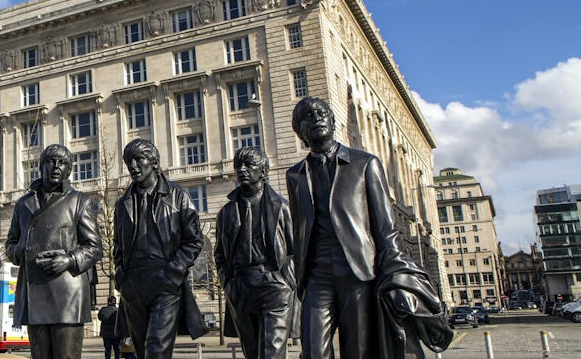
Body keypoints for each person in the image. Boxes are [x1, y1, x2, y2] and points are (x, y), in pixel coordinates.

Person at [286, 97, 451, 358]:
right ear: (300, 131)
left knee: (359, 350)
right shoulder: (295, 175)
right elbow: (299, 230)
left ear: (332, 120)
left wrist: (395, 272)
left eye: (321, 113)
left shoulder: (365, 164)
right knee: (313, 349)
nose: (316, 118)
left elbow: (386, 229)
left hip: (358, 272)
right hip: (317, 275)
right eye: (307, 116)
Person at [113, 139, 208, 359]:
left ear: (153, 162)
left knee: (156, 349)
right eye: (129, 162)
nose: (133, 166)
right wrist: (120, 276)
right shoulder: (122, 203)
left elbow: (194, 240)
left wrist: (173, 271)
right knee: (140, 349)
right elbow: (117, 245)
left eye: (138, 159)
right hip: (133, 283)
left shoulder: (178, 196)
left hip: (164, 280)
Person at [5, 144, 102, 359]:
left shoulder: (80, 201)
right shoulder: (23, 204)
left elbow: (95, 247)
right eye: (51, 161)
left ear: (69, 170)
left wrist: (68, 260)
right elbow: (10, 245)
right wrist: (21, 250)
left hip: (67, 293)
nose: (56, 167)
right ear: (41, 167)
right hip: (34, 292)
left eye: (63, 163)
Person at [214, 147, 295, 359]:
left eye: (249, 165)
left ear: (263, 170)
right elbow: (219, 254)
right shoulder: (227, 212)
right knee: (251, 352)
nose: (242, 170)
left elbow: (297, 250)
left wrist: (286, 280)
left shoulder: (281, 207)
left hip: (274, 286)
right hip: (240, 287)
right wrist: (227, 282)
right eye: (238, 165)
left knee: (272, 353)